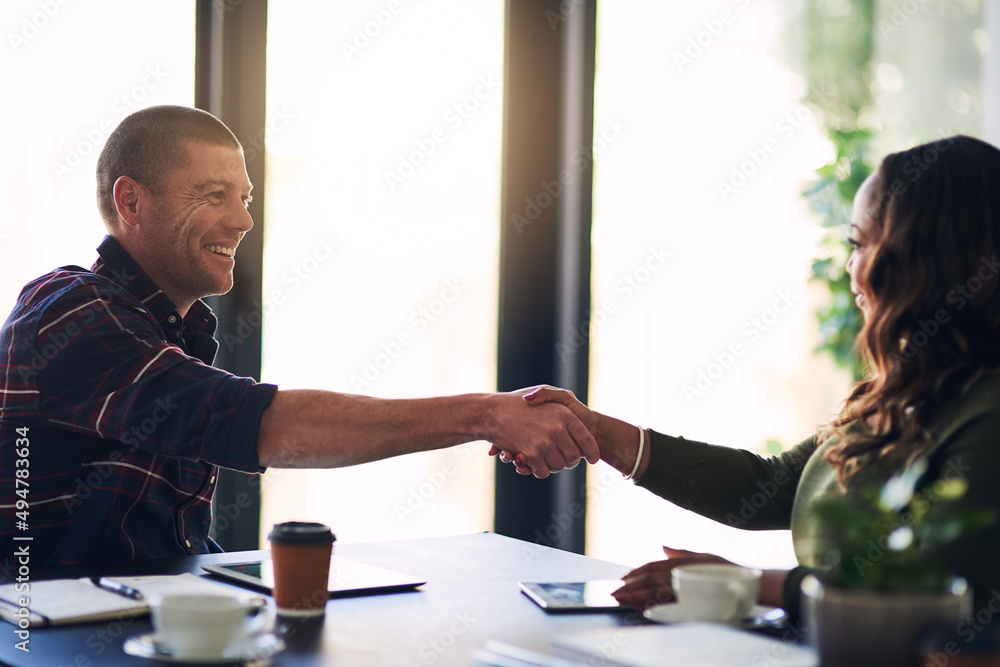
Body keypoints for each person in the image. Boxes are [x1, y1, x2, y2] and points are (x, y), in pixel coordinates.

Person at [0, 105, 598, 567]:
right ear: (130, 201)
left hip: (133, 623)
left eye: (245, 198)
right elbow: (260, 425)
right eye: (214, 195)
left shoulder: (176, 329)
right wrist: (486, 415)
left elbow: (164, 549)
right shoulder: (70, 312)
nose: (243, 220)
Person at [506, 135, 1000, 618]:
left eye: (859, 243)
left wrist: (739, 585)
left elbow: (930, 589)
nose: (849, 267)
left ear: (922, 259)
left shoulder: (987, 415)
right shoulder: (894, 396)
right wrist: (595, 431)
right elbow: (775, 486)